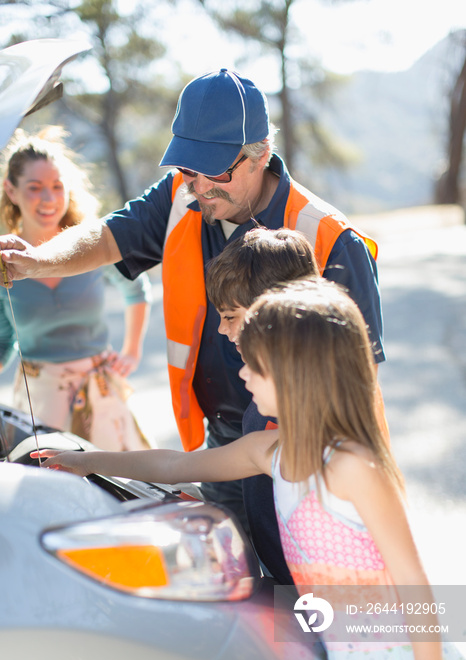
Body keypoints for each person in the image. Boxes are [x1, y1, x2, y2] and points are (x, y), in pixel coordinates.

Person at [35, 278, 466, 660]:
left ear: (294, 373)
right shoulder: (270, 451)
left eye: (254, 364)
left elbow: (417, 588)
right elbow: (175, 464)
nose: (242, 373)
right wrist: (88, 460)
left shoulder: (351, 466)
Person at [0, 69, 384, 520]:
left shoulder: (332, 239)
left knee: (303, 582)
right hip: (221, 442)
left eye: (214, 170)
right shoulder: (181, 195)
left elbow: (359, 382)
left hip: (304, 450)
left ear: (260, 155)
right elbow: (107, 238)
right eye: (186, 168)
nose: (197, 186)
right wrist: (38, 261)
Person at [0, 126, 153, 451]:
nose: (49, 198)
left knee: (123, 491)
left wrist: (132, 351)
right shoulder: (5, 262)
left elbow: (136, 290)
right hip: (38, 402)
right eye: (35, 187)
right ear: (10, 190)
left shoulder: (90, 246)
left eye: (57, 186)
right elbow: (4, 341)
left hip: (101, 396)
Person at [205, 226, 318, 582]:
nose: (223, 331)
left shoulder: (328, 444)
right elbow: (179, 464)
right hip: (295, 598)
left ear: (271, 313)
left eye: (229, 317)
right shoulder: (261, 418)